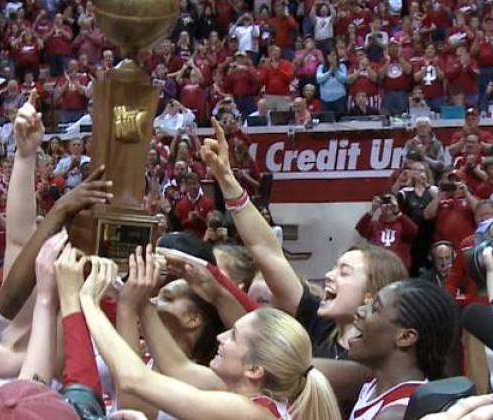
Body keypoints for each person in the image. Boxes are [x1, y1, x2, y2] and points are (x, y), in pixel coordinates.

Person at [200, 117, 408, 359]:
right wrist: (227, 180)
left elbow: (295, 371)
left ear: (371, 294)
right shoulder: (320, 325)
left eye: (344, 272)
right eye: (334, 268)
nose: (328, 276)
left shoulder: (370, 360)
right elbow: (266, 251)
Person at [79, 256, 342, 420]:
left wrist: (87, 300)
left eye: (234, 336)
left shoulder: (249, 412)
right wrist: (138, 301)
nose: (221, 336)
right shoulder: (245, 394)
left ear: (254, 369)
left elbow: (134, 379)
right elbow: (177, 368)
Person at [317, 280, 458, 418]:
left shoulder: (396, 413)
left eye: (375, 308)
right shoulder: (372, 379)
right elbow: (301, 368)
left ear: (406, 337)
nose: (359, 311)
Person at [355, 194, 419, 271]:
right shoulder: (374, 225)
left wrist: (397, 211)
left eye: (390, 202)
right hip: (378, 267)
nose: (388, 205)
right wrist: (372, 210)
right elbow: (360, 229)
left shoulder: (403, 224)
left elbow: (413, 231)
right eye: (384, 202)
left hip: (398, 268)